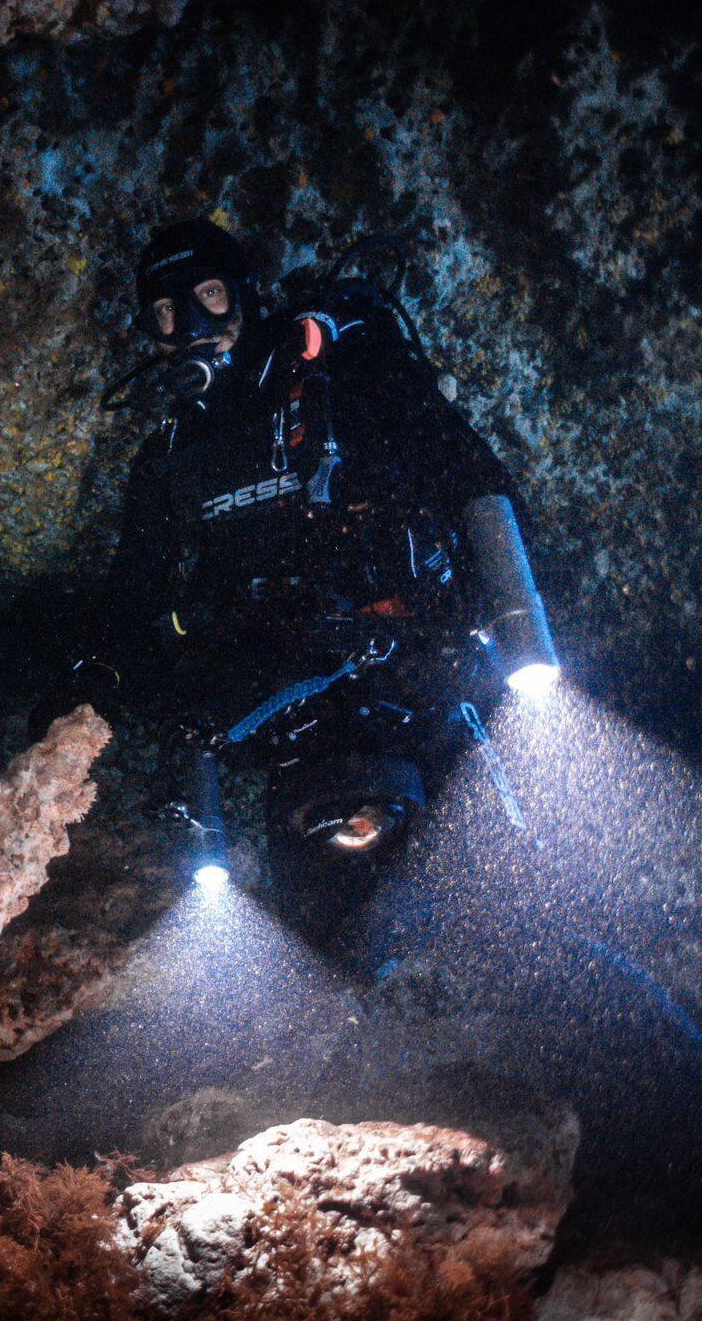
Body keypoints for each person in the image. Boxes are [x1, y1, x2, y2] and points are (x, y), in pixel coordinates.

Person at [36, 218, 532, 863]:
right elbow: (132, 595)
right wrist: (89, 688)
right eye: (164, 311)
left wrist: (506, 621)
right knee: (328, 930)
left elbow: (482, 486)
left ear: (247, 295)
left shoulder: (346, 385)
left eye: (209, 295)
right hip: (286, 724)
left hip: (414, 675)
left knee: (500, 873)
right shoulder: (168, 458)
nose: (189, 324)